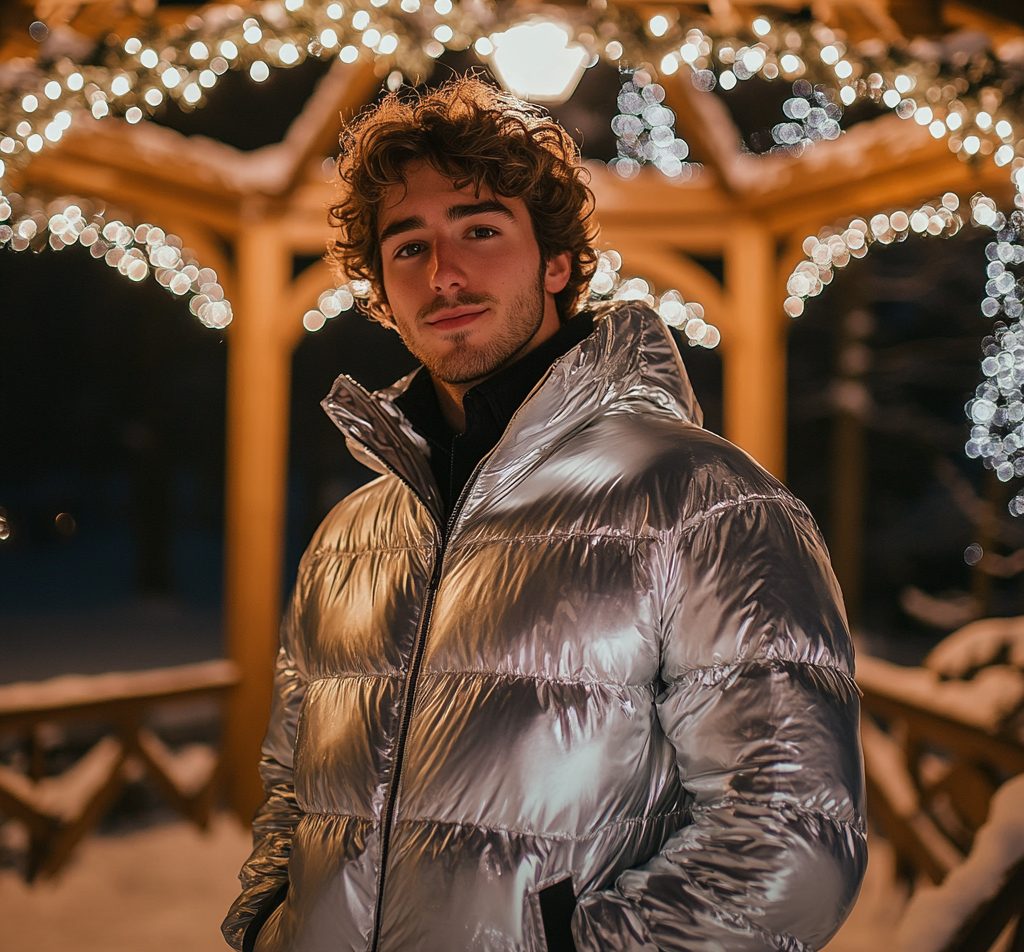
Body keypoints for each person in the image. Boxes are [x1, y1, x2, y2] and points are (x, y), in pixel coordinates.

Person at [223, 77, 865, 952]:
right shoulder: (352, 536)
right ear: (380, 285)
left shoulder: (703, 502)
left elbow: (794, 837)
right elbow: (289, 791)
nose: (444, 273)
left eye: (480, 231)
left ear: (556, 263)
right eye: (407, 247)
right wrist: (269, 923)